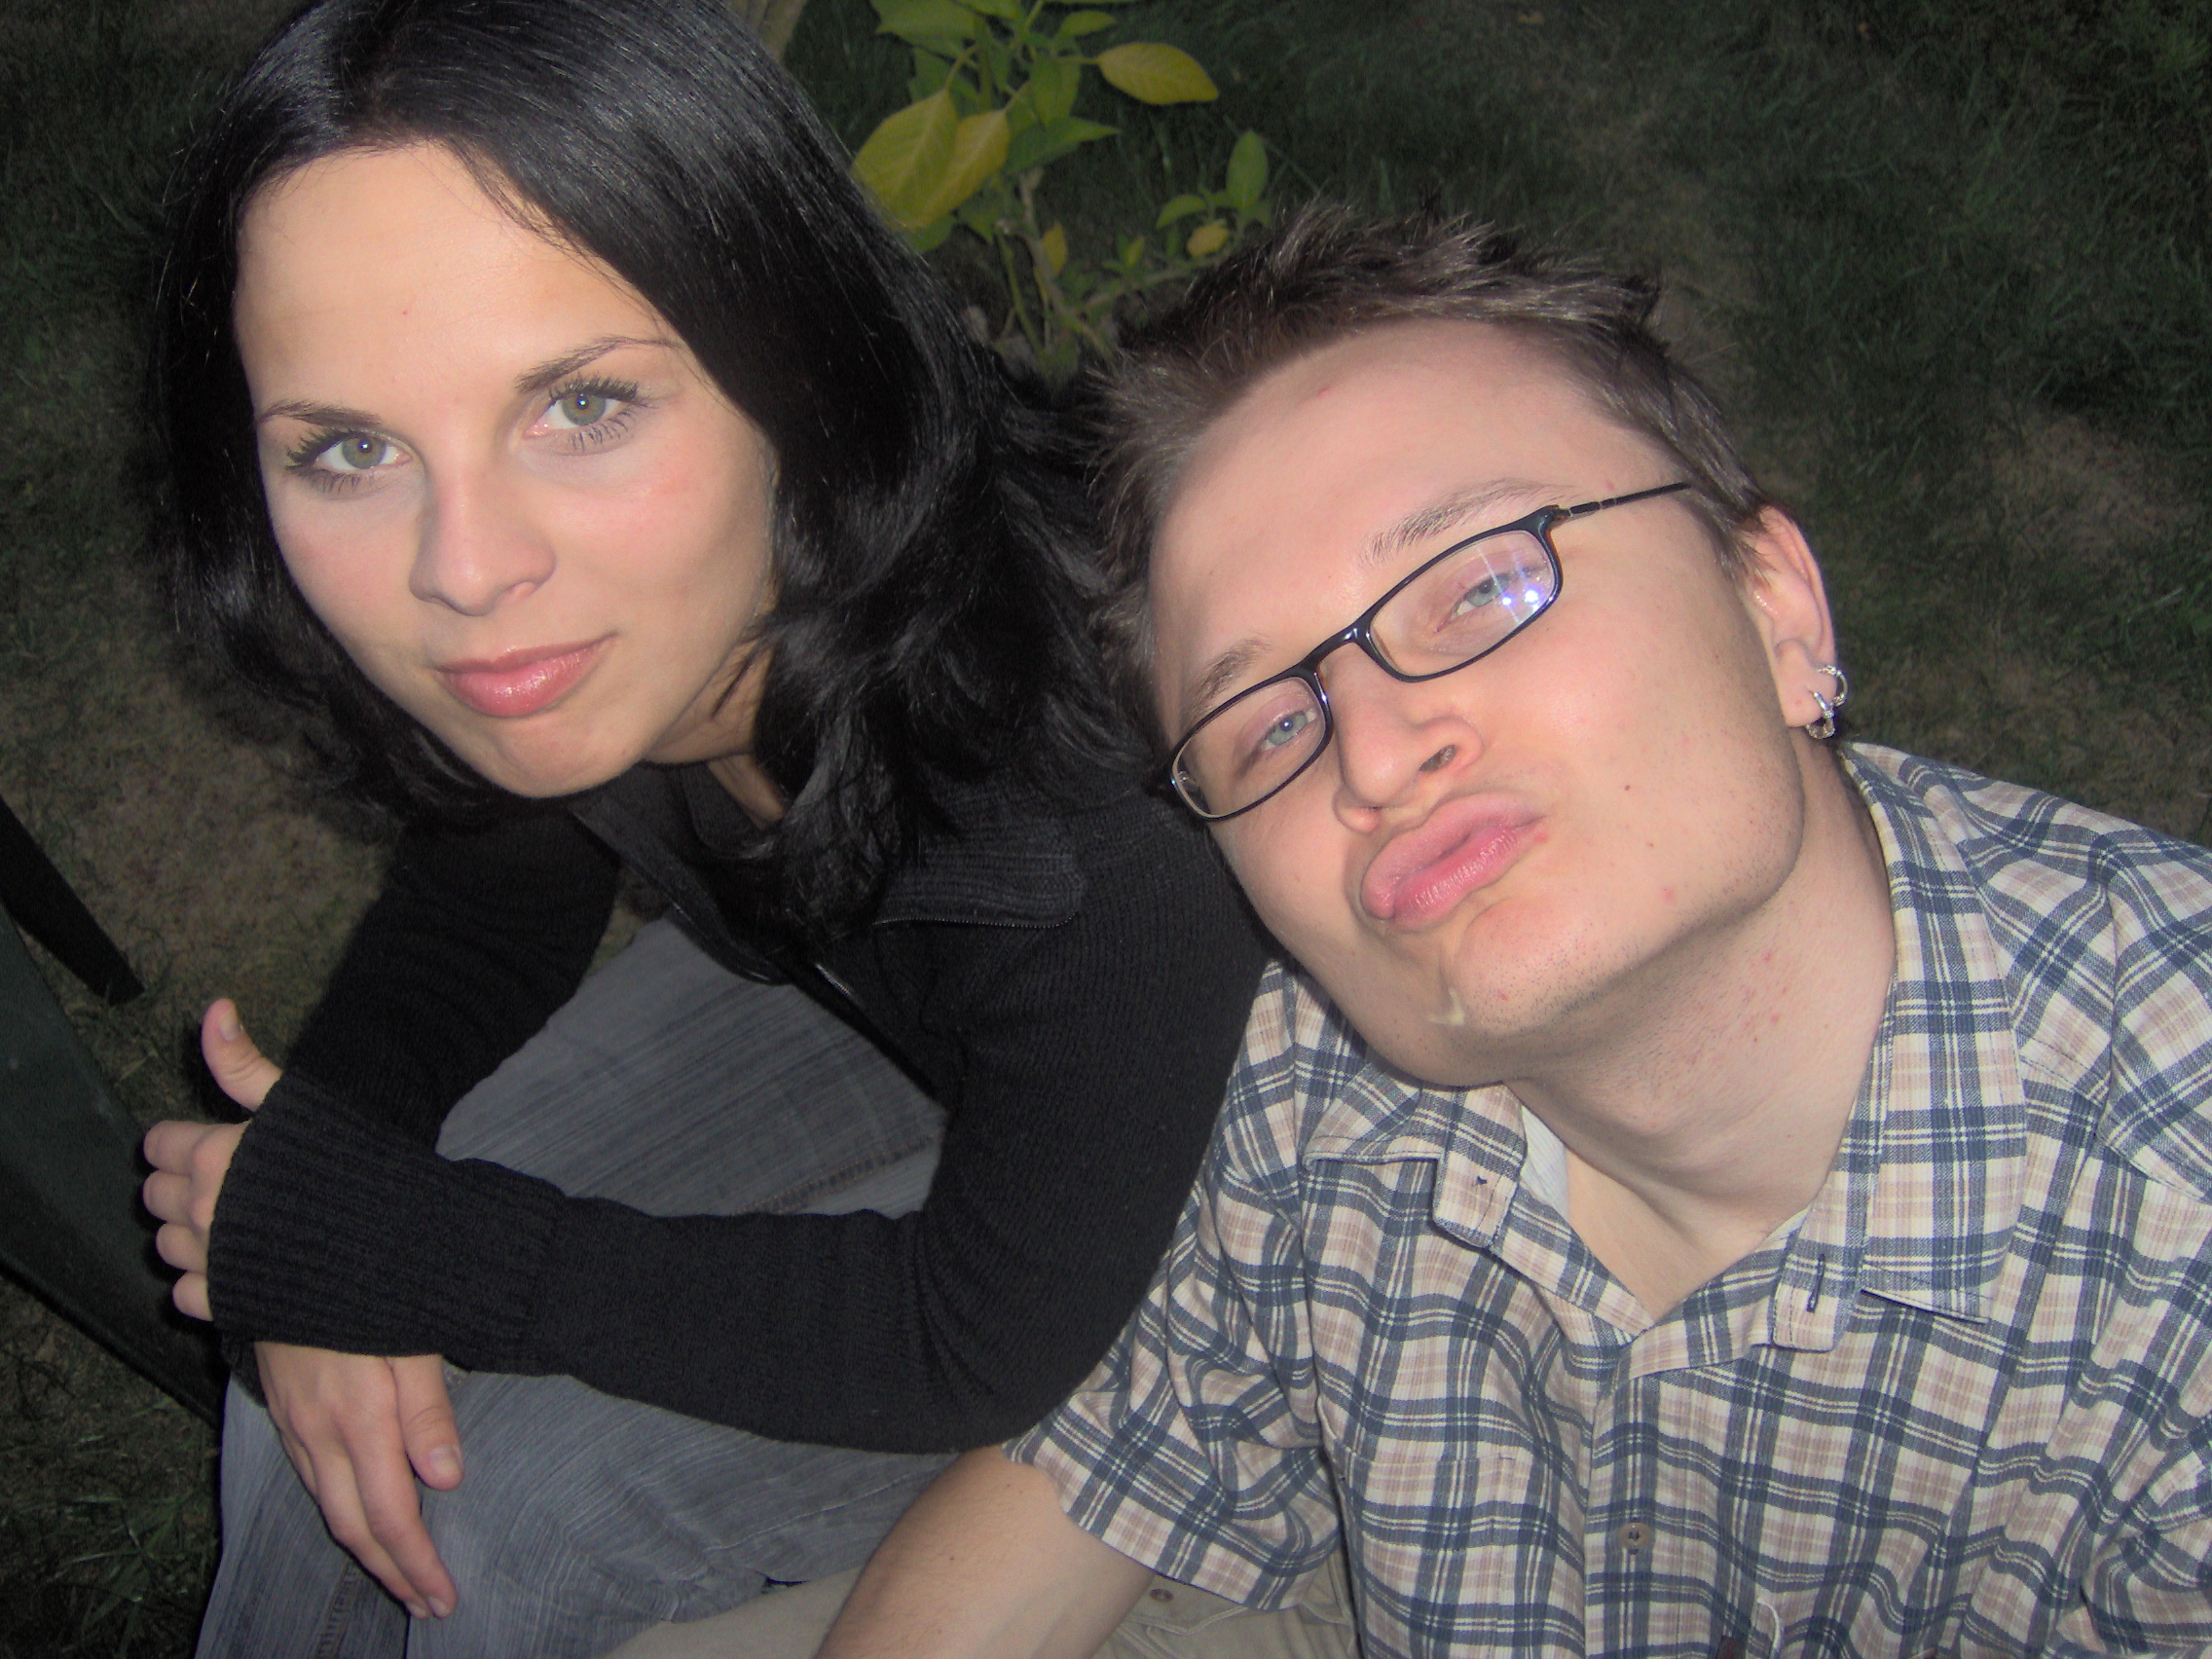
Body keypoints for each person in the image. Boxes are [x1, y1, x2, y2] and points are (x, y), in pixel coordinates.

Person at [803, 207, 2212, 1658]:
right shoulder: (1307, 1069)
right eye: (1269, 721)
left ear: (1779, 610)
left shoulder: (2170, 1272)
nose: (1372, 754)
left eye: (1478, 586)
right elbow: (1111, 1469)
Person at [131, 2, 1267, 1654]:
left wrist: (414, 1248)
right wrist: (329, 1168)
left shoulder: (1105, 813)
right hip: (895, 992)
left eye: (583, 406)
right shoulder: (610, 629)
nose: (464, 569)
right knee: (304, 1378)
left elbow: (972, 1337)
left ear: (798, 359)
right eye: (351, 449)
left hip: (1216, 1186)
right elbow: (497, 877)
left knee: (505, 1527)